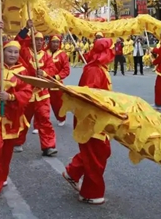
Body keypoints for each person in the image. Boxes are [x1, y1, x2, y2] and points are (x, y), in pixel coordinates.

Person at [0, 19, 33, 201]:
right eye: (9, 51)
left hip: (12, 115)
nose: (12, 54)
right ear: (3, 52)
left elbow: (27, 92)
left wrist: (11, 97)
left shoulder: (23, 71)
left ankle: (0, 177)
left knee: (7, 151)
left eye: (16, 52)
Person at [63, 38, 114, 205]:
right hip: (91, 120)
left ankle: (73, 172)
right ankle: (90, 193)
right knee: (97, 153)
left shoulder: (99, 69)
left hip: (98, 118)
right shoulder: (94, 71)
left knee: (100, 151)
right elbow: (88, 98)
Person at [14, 20, 58, 156]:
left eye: (41, 40)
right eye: (36, 39)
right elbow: (17, 41)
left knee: (45, 120)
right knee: (23, 119)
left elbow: (52, 68)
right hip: (26, 93)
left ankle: (48, 146)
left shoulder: (46, 55)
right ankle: (17, 142)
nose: (39, 42)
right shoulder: (24, 52)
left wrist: (44, 73)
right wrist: (26, 28)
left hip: (42, 94)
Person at [48, 35, 71, 127]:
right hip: (43, 82)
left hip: (56, 83)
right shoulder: (44, 53)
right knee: (40, 105)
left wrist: (56, 77)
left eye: (57, 42)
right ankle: (39, 124)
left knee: (57, 103)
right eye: (53, 42)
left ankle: (61, 118)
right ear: (50, 42)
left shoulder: (63, 54)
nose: (55, 44)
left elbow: (66, 70)